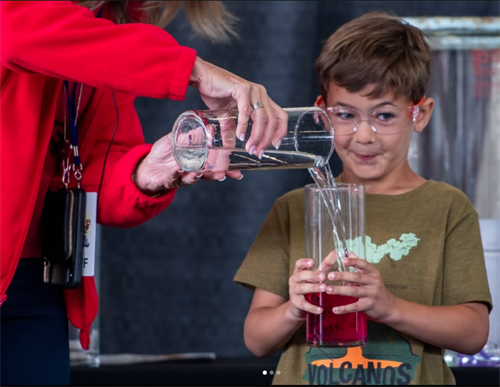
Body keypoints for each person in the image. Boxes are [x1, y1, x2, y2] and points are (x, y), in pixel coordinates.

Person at [0, 1, 288, 384]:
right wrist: (193, 70)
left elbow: (95, 172)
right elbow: (16, 32)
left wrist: (148, 171)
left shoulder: (112, 20)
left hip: (34, 281)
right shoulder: (80, 30)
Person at [234, 12, 492, 385]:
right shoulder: (292, 208)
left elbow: (473, 333)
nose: (364, 135)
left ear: (419, 113)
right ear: (322, 113)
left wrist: (389, 308)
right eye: (345, 115)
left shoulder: (449, 208)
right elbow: (256, 339)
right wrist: (294, 308)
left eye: (384, 115)